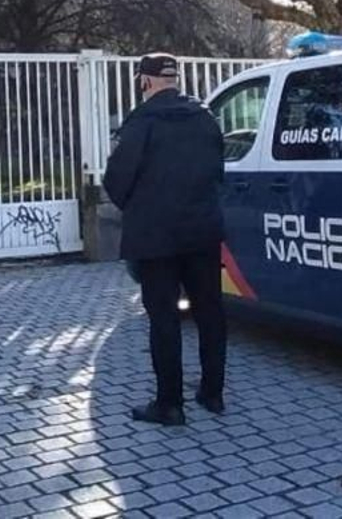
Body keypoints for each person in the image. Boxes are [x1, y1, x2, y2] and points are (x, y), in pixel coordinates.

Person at [102, 53, 228, 426]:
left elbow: (116, 179)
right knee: (210, 314)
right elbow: (218, 170)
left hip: (156, 238)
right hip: (202, 231)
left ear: (145, 81)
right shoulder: (205, 117)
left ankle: (170, 404)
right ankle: (213, 393)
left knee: (164, 319)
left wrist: (140, 209)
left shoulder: (142, 121)